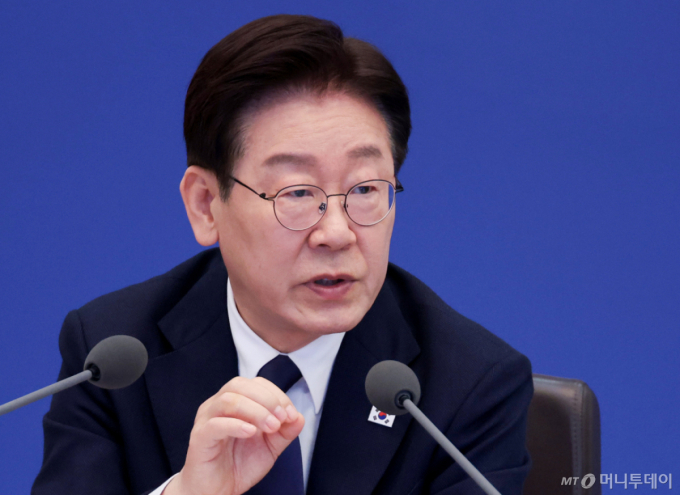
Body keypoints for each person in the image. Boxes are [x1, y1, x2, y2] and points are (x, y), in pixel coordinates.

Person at [32, 14, 533, 495]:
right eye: (296, 193)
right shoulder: (112, 355)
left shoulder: (469, 385)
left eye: (364, 189)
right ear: (205, 205)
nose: (336, 233)